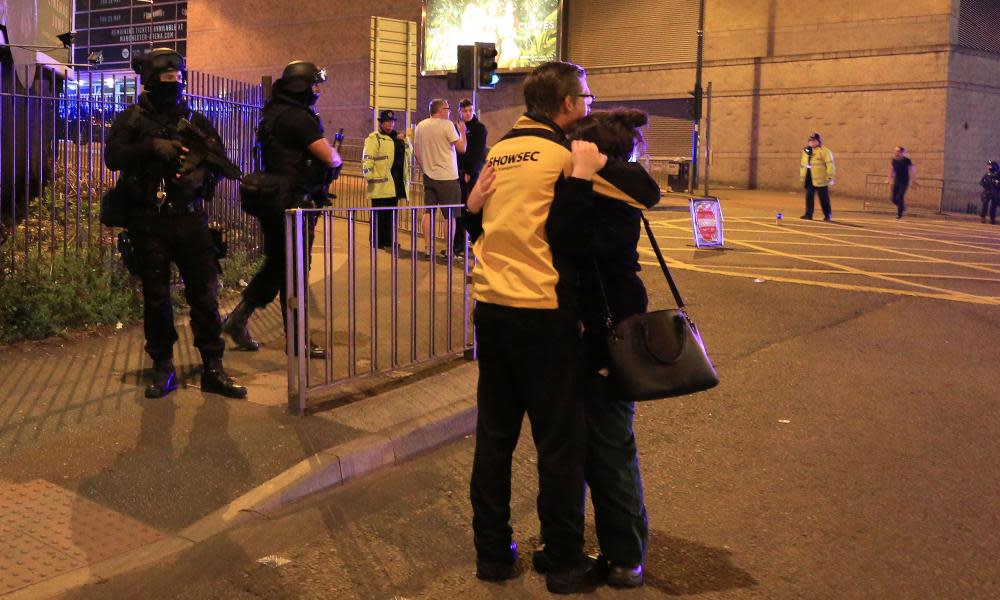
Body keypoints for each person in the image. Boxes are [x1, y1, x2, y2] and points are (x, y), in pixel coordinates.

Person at [461, 61, 660, 594]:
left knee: (495, 438)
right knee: (559, 444)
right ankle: (567, 562)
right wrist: (581, 174)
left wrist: (469, 211)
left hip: (491, 310)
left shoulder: (499, 150)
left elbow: (487, 220)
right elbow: (640, 194)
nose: (591, 106)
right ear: (568, 105)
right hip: (543, 315)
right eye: (587, 98)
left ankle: (492, 555)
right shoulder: (566, 156)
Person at [105, 48, 246, 400]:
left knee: (204, 295)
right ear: (152, 82)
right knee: (156, 299)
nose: (174, 86)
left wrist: (198, 172)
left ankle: (213, 367)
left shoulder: (196, 120)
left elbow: (220, 161)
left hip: (190, 219)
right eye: (167, 80)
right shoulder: (131, 120)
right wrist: (152, 146)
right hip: (148, 222)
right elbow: (113, 157)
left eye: (177, 80)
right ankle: (163, 366)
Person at [222, 60, 342, 358]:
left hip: (275, 202)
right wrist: (333, 160)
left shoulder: (274, 113)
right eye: (314, 84)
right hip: (295, 203)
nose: (317, 90)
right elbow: (330, 157)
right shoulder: (299, 118)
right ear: (302, 86)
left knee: (278, 266)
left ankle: (238, 318)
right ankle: (298, 339)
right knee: (296, 272)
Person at [413, 98, 465, 258]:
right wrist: (462, 131)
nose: (449, 112)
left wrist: (425, 169)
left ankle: (428, 247)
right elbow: (462, 148)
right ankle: (449, 250)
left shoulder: (421, 126)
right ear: (441, 110)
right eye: (448, 109)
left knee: (428, 212)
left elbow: (417, 152)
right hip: (448, 177)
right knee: (450, 215)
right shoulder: (447, 125)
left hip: (429, 176)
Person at [362, 109, 411, 250]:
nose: (390, 124)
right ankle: (377, 242)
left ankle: (389, 241)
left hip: (394, 183)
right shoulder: (374, 138)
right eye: (387, 121)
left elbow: (409, 154)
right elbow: (367, 159)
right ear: (381, 123)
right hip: (379, 184)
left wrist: (406, 140)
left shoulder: (398, 138)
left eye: (392, 121)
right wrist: (369, 176)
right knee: (379, 215)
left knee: (391, 214)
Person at [453, 98, 487, 255]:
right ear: (460, 111)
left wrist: (469, 171)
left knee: (471, 209)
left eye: (470, 110)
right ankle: (458, 244)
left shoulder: (479, 128)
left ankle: (475, 241)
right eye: (464, 111)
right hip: (457, 172)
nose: (467, 113)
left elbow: (477, 153)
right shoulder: (456, 127)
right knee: (459, 211)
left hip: (470, 174)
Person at [799, 132, 835, 221]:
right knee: (809, 197)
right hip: (809, 178)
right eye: (810, 140)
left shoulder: (825, 151)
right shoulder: (806, 151)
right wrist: (802, 176)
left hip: (821, 179)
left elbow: (830, 164)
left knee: (824, 199)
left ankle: (828, 215)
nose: (812, 142)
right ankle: (808, 214)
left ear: (818, 141)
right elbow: (803, 164)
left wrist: (830, 176)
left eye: (814, 140)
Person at [887, 146, 915, 219]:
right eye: (895, 151)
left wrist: (913, 180)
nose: (896, 153)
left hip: (904, 181)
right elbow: (892, 170)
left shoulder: (907, 160)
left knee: (900, 197)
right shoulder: (894, 160)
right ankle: (903, 207)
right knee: (893, 199)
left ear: (902, 152)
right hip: (896, 181)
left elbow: (911, 170)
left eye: (898, 151)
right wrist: (888, 178)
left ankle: (900, 214)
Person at [979, 161, 1000, 225]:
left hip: (995, 192)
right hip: (988, 192)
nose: (988, 167)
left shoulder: (998, 175)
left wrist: (997, 184)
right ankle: (983, 217)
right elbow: (981, 182)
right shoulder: (987, 174)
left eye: (990, 165)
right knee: (985, 204)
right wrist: (986, 187)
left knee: (993, 206)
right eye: (988, 165)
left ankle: (992, 219)